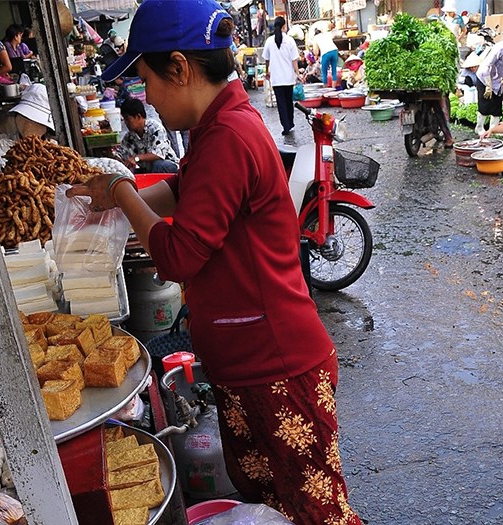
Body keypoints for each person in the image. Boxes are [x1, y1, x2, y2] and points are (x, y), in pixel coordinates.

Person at [66, 0, 362, 523]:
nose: (147, 98)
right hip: (246, 364)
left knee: (318, 513)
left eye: (147, 81)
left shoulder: (229, 133)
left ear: (179, 68)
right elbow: (187, 191)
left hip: (278, 366)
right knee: (271, 506)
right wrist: (120, 199)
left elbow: (178, 256)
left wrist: (119, 187)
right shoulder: (218, 124)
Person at [116, 97, 179, 173]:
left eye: (128, 119)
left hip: (167, 166)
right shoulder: (129, 137)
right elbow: (120, 154)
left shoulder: (155, 128)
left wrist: (136, 158)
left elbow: (158, 154)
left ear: (138, 117)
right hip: (149, 170)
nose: (126, 123)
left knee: (158, 165)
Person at [262, 16, 299, 136]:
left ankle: (286, 126)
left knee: (281, 103)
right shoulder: (290, 40)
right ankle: (291, 123)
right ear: (284, 26)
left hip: (276, 79)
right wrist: (297, 73)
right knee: (289, 101)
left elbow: (266, 59)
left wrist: (267, 71)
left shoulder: (269, 41)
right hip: (288, 77)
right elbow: (294, 60)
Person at [312, 24, 339, 89]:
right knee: (334, 70)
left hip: (325, 53)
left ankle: (325, 89)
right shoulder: (326, 34)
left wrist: (316, 56)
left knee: (324, 72)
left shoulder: (315, 38)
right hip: (334, 51)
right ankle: (333, 88)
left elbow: (316, 52)